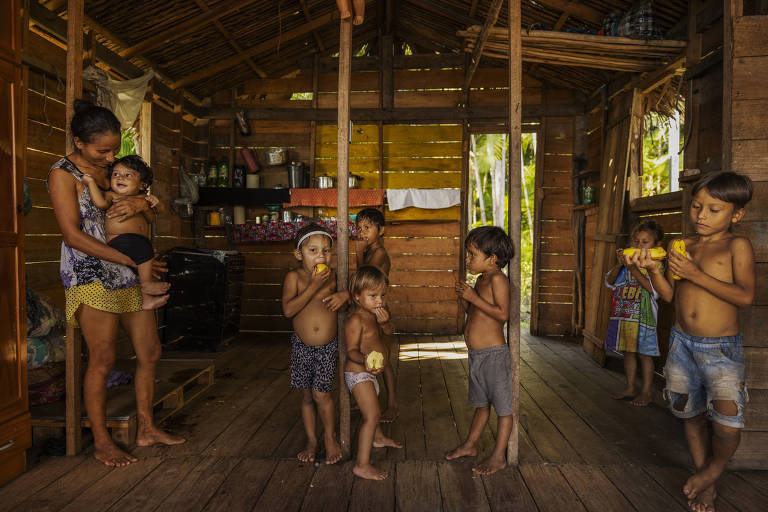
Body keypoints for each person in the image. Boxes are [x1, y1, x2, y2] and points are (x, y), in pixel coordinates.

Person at [47, 99, 184, 467]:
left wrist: (143, 206)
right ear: (79, 142)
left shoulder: (115, 171)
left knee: (150, 352)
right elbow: (73, 236)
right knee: (103, 357)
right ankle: (103, 442)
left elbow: (153, 208)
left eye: (113, 149)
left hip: (129, 275)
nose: (109, 158)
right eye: (102, 150)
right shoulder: (63, 175)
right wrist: (127, 259)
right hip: (90, 274)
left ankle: (146, 428)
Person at [633, 171, 755, 512]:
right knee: (690, 415)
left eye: (713, 209)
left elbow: (745, 297)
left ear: (737, 214)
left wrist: (696, 274)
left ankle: (712, 471)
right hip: (681, 344)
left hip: (721, 349)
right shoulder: (680, 245)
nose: (701, 215)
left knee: (727, 425)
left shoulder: (737, 245)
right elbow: (672, 296)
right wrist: (654, 272)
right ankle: (706, 482)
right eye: (697, 207)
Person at [445, 226, 515, 475]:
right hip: (477, 356)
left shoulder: (498, 279)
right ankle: (471, 445)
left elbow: (502, 315)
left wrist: (474, 298)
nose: (467, 259)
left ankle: (498, 456)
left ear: (492, 258)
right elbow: (474, 313)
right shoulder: (480, 279)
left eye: (472, 254)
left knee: (503, 408)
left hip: (494, 355)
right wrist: (467, 300)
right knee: (481, 405)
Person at [281, 224, 343, 465]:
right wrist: (315, 285)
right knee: (307, 396)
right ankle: (311, 440)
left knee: (321, 394)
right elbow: (288, 310)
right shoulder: (294, 277)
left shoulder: (335, 277)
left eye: (326, 251)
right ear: (299, 254)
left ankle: (329, 437)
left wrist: (344, 295)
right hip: (301, 346)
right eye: (313, 250)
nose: (321, 256)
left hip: (327, 346)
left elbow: (352, 296)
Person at [82, 154, 169, 310]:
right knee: (144, 252)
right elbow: (100, 203)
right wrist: (90, 183)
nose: (120, 177)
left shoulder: (143, 198)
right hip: (119, 241)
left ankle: (146, 299)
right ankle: (147, 285)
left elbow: (154, 216)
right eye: (116, 174)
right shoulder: (112, 196)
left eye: (128, 175)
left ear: (142, 185)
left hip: (137, 242)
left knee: (146, 253)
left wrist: (156, 203)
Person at [345, 266, 402, 480]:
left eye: (382, 295)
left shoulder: (376, 315)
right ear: (357, 296)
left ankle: (377, 438)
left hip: (371, 373)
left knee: (374, 409)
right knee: (372, 415)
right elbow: (350, 351)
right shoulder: (355, 320)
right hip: (358, 374)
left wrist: (385, 322)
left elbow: (389, 332)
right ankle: (362, 464)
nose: (379, 300)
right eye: (373, 295)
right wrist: (366, 362)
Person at [605, 220, 665, 407]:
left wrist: (633, 270)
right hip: (625, 317)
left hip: (644, 319)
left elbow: (654, 290)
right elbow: (610, 282)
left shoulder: (656, 266)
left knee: (645, 355)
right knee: (628, 353)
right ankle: (630, 387)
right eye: (636, 241)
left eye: (645, 242)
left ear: (656, 246)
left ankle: (646, 392)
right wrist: (619, 265)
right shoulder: (626, 263)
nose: (639, 246)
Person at [353, 208, 398, 423]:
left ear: (381, 230)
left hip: (379, 310)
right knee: (369, 352)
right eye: (359, 228)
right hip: (368, 309)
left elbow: (365, 278)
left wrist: (358, 253)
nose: (362, 232)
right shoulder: (370, 250)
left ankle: (391, 405)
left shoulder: (379, 253)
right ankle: (369, 398)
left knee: (384, 359)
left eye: (367, 228)